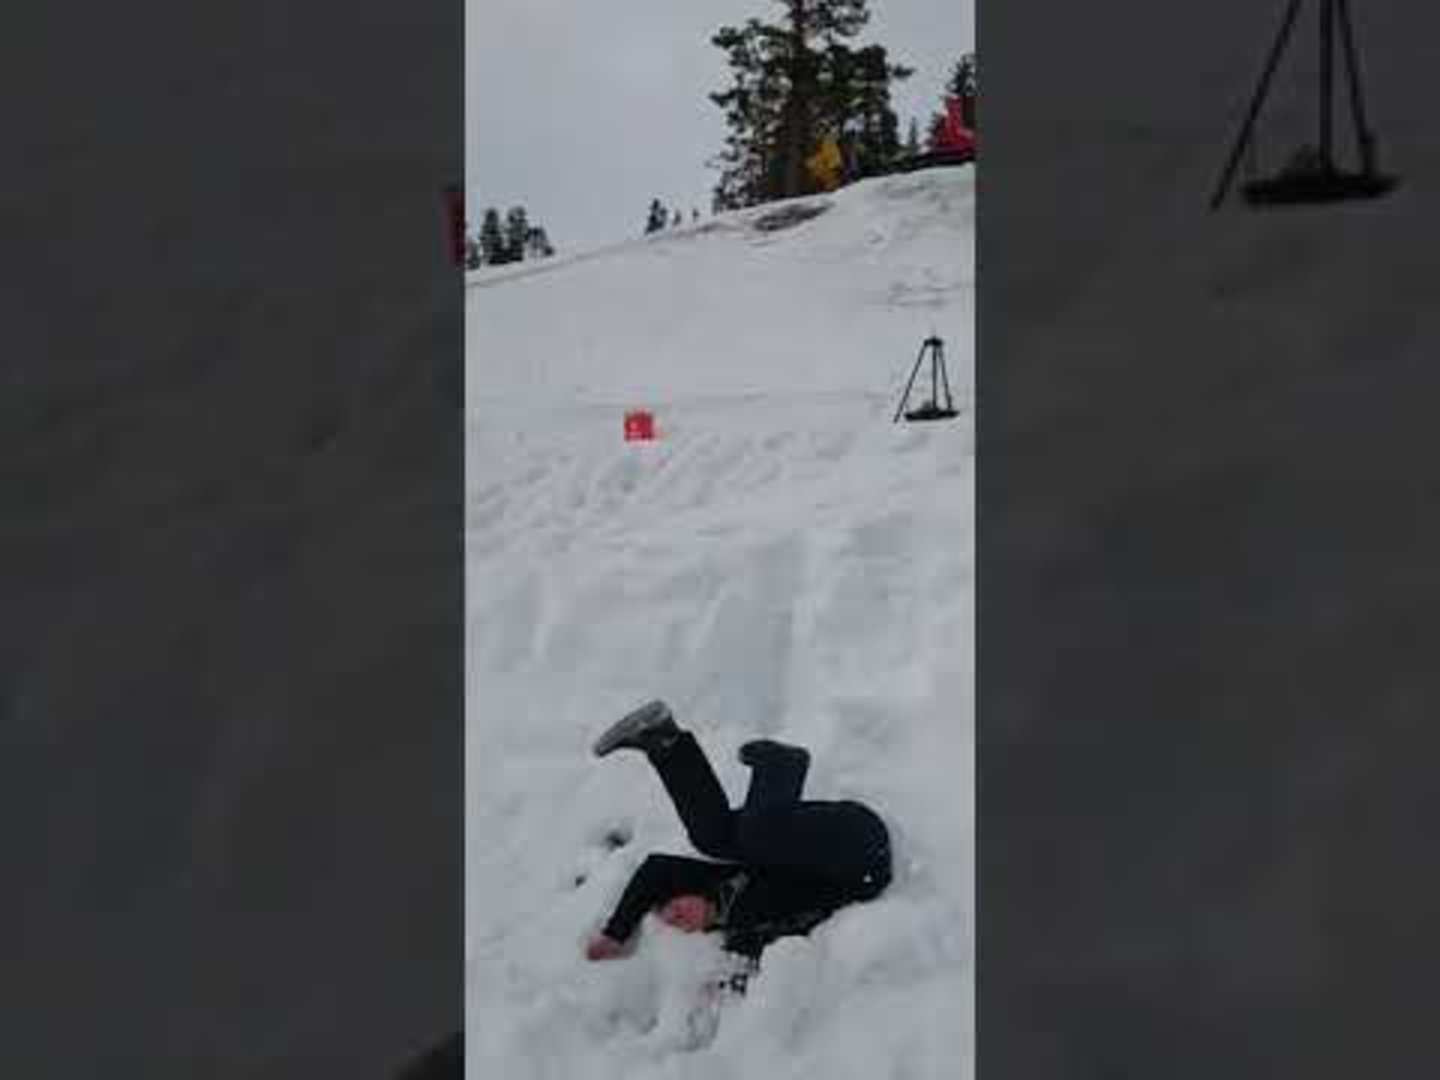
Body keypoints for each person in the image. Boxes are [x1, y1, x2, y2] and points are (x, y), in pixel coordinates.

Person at [584, 700, 891, 965]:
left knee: (711, 837)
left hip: (821, 832)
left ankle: (662, 739)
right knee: (756, 838)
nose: (677, 913)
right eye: (678, 923)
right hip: (860, 860)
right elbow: (757, 952)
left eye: (670, 908)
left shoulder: (707, 884)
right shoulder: (747, 925)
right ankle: (782, 767)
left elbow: (655, 871)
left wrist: (616, 933)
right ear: (697, 933)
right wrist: (727, 983)